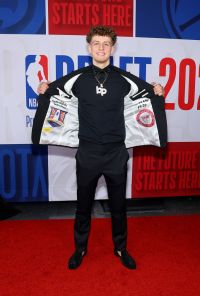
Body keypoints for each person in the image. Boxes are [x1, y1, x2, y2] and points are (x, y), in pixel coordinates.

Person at [32, 26, 167, 270]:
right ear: (89, 47)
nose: (101, 48)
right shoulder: (78, 78)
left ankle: (120, 248)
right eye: (97, 43)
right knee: (83, 206)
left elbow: (150, 93)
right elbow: (51, 91)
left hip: (116, 153)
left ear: (113, 48)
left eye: (106, 43)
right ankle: (80, 248)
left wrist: (158, 91)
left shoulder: (125, 79)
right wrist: (43, 89)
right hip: (88, 153)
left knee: (118, 207)